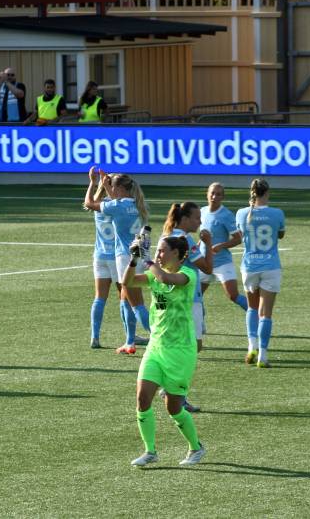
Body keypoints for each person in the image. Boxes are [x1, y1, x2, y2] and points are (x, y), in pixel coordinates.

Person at [125, 236, 206, 467]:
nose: (158, 254)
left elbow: (166, 278)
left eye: (162, 251)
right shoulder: (154, 275)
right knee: (142, 398)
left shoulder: (188, 275)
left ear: (176, 253)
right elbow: (127, 282)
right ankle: (150, 451)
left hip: (180, 351)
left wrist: (148, 261)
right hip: (156, 347)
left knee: (174, 408)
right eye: (157, 251)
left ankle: (196, 447)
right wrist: (134, 259)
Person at [84, 172, 151, 353]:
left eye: (113, 187)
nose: (111, 190)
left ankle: (159, 336)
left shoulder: (116, 206)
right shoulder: (139, 205)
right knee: (127, 300)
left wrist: (94, 182)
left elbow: (89, 203)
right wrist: (108, 185)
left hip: (123, 258)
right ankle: (130, 340)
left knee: (136, 305)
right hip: (139, 255)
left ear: (119, 188)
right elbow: (118, 202)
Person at [162, 201, 213, 413]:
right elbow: (207, 268)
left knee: (181, 345)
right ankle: (176, 393)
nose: (200, 222)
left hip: (173, 299)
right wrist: (208, 243)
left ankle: (171, 388)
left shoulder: (168, 235)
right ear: (184, 219)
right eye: (196, 218)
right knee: (192, 347)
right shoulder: (185, 239)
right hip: (189, 300)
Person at [236, 178, 285, 367]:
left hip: (249, 266)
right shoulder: (277, 213)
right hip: (271, 266)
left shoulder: (241, 213)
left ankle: (251, 347)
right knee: (266, 313)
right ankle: (263, 356)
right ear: (268, 192)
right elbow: (281, 234)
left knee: (252, 308)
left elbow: (241, 234)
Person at [84, 166, 128, 349]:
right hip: (116, 257)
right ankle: (130, 336)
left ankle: (95, 337)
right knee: (125, 296)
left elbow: (88, 202)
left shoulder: (98, 204)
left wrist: (92, 183)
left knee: (99, 298)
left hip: (99, 256)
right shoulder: (114, 205)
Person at [200, 183, 247, 330]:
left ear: (223, 197)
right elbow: (202, 236)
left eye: (218, 194)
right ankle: (199, 325)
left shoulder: (226, 215)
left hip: (222, 263)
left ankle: (257, 314)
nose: (214, 196)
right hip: (204, 262)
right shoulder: (202, 211)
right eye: (212, 193)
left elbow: (238, 238)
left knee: (233, 295)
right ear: (207, 194)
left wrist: (222, 245)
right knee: (194, 296)